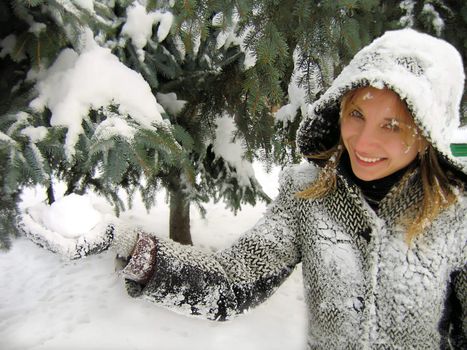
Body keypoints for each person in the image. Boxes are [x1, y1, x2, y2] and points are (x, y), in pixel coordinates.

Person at [23, 29, 467, 349]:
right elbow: (231, 283)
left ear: (427, 131)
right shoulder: (308, 194)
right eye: (357, 116)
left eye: (393, 125)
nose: (364, 143)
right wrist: (124, 243)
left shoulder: (459, 218)